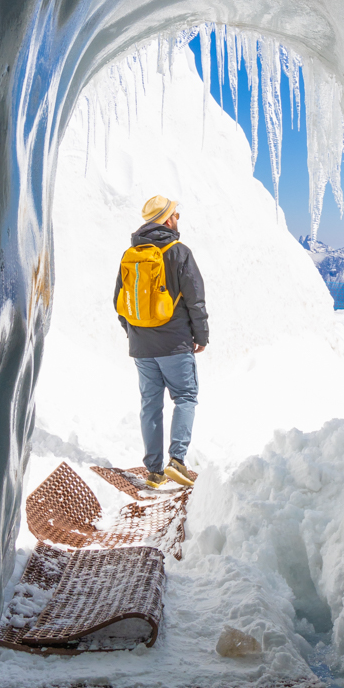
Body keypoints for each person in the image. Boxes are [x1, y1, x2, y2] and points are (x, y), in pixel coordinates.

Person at [113, 194, 208, 489]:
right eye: (175, 214)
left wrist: (135, 334)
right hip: (175, 343)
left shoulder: (131, 254)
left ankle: (154, 471)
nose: (178, 219)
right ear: (167, 220)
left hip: (142, 347)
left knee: (150, 405)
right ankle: (176, 461)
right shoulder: (179, 252)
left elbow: (119, 302)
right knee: (185, 397)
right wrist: (201, 336)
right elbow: (195, 299)